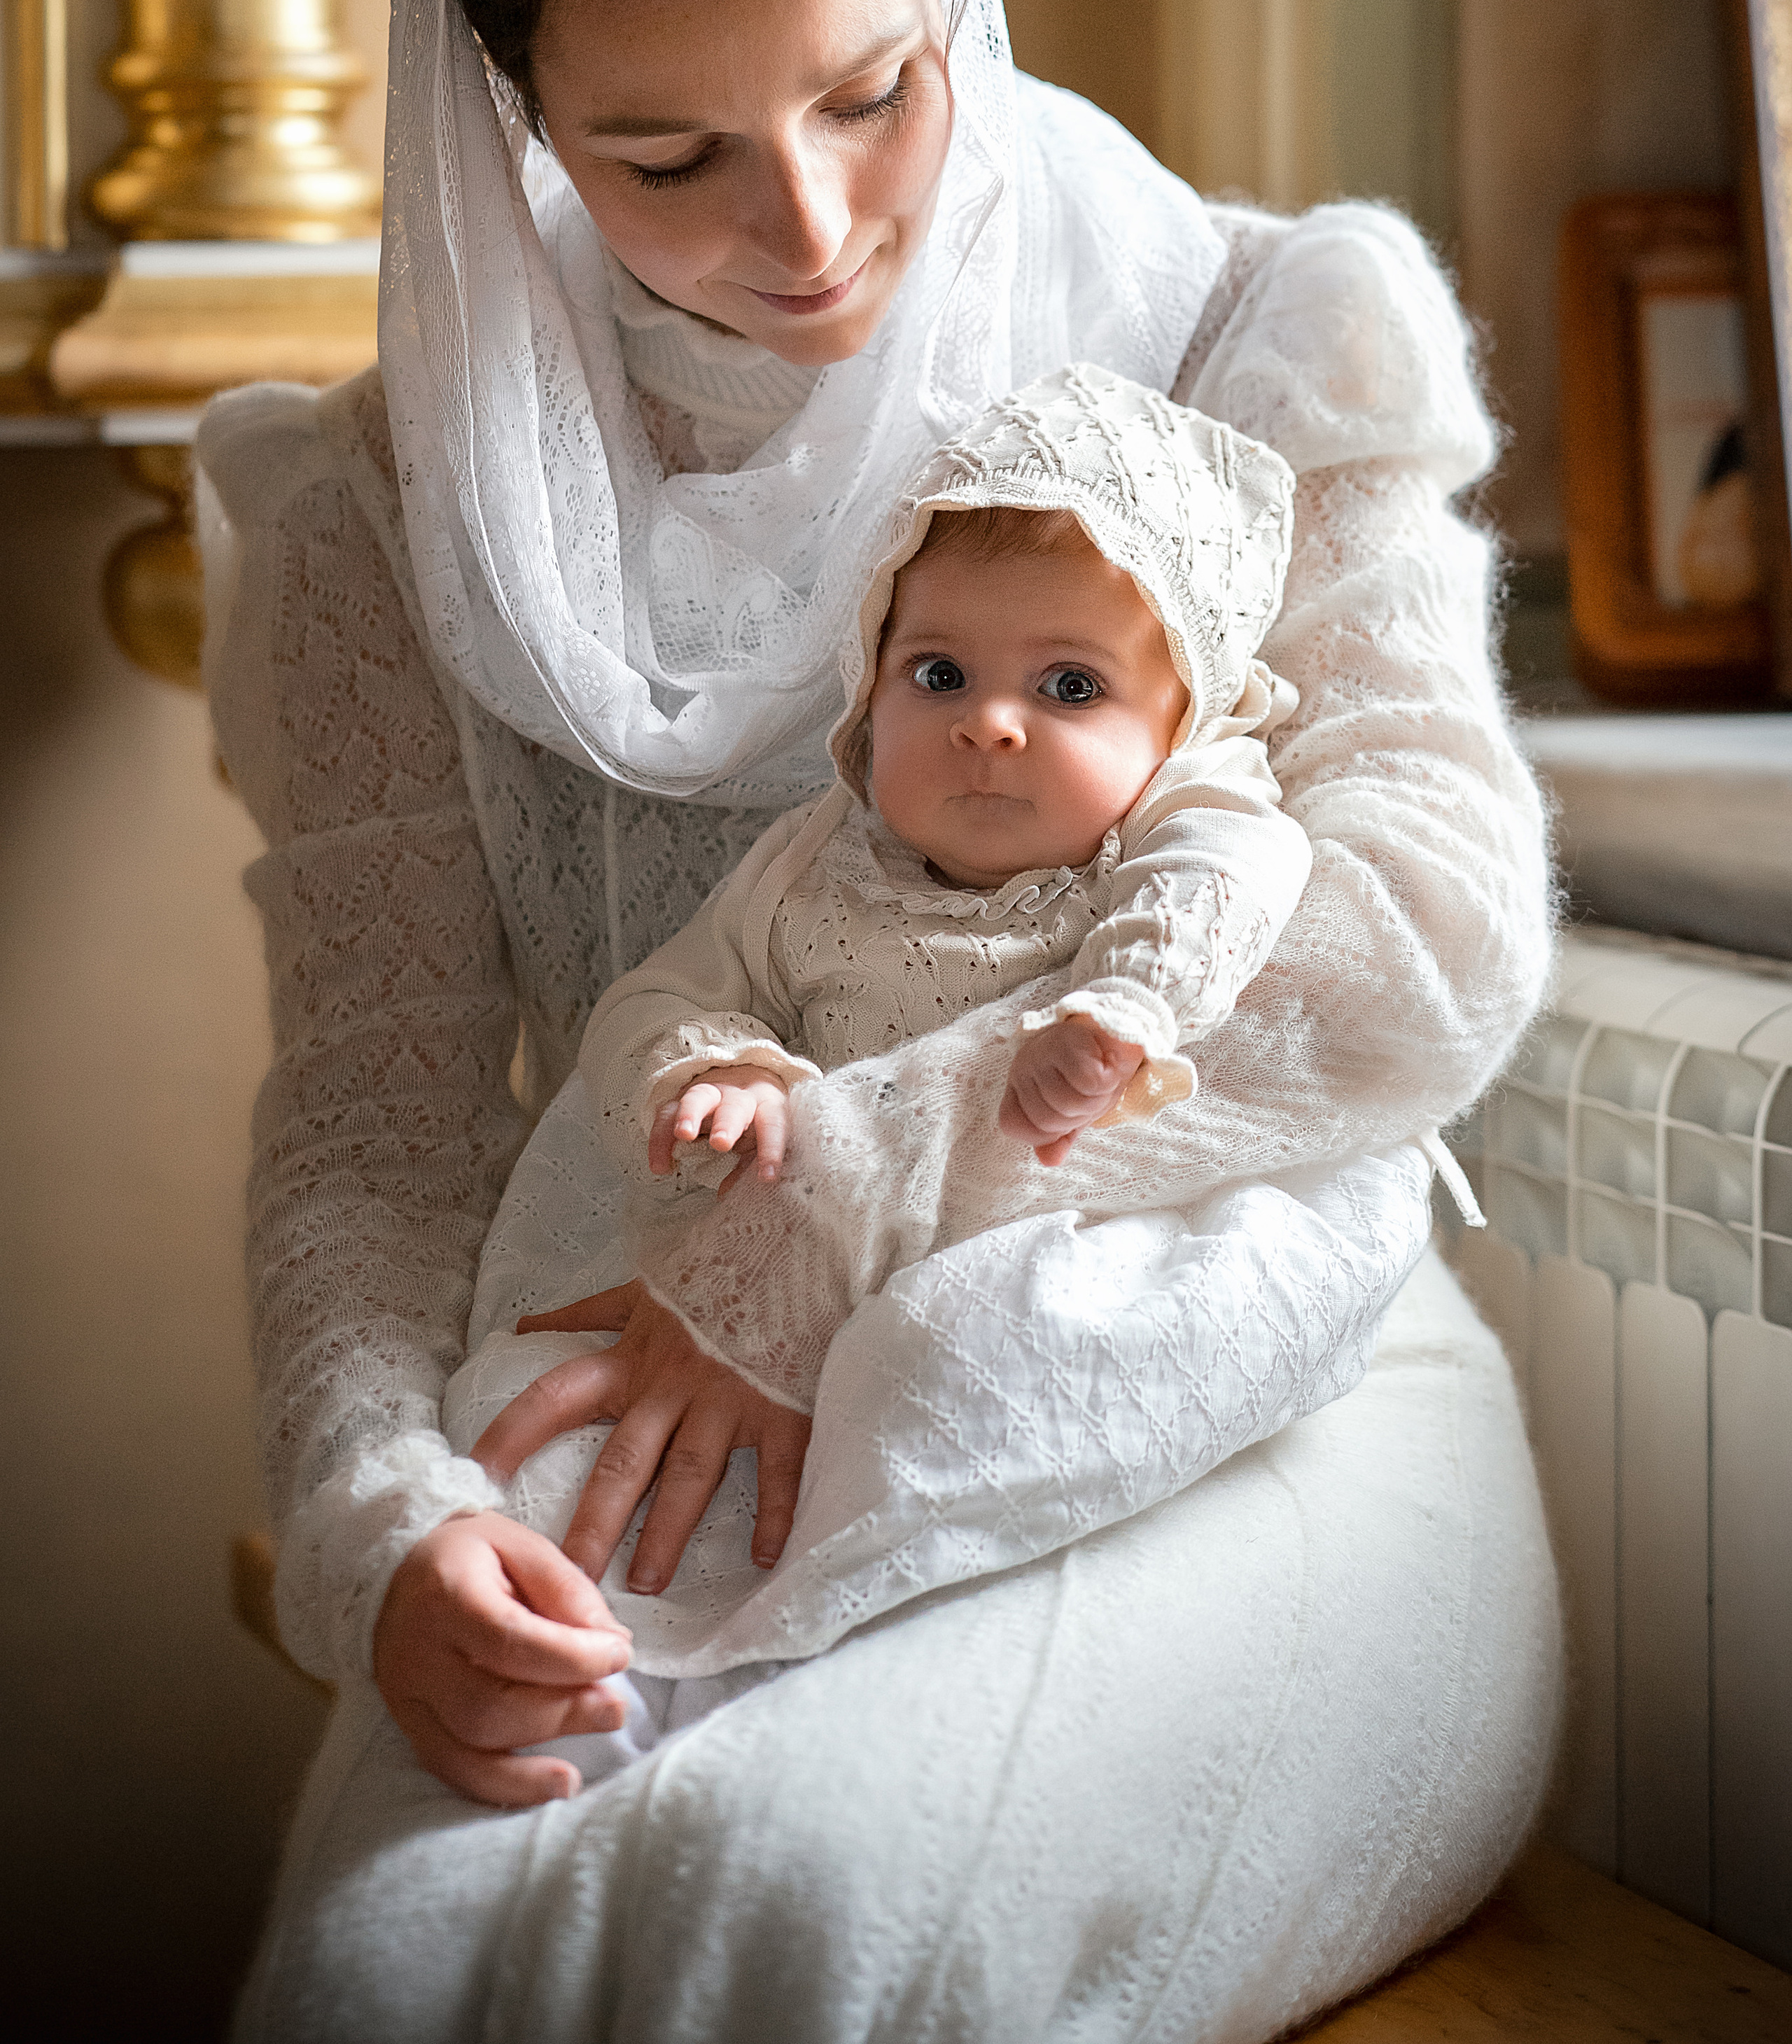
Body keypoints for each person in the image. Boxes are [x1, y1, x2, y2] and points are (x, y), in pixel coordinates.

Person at [204, 0, 1560, 2044]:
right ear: (507, 110)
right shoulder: (390, 510)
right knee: (393, 1964)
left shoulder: (1244, 329)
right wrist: (374, 1518)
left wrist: (824, 1216)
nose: (816, 227)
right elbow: (375, 1117)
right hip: (642, 1425)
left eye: (875, 90)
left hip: (1227, 1390)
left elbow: (1413, 964)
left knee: (781, 1922)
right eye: (668, 150)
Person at [447, 365, 1332, 1630]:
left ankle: (923, 1606)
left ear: (1179, 721)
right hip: (772, 1273)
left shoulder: (1156, 838)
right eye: (939, 675)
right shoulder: (814, 865)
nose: (991, 726)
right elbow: (649, 1000)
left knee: (975, 1350)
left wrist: (1121, 1011)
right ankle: (609, 1647)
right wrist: (721, 1067)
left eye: (1070, 687)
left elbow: (1235, 871)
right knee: (509, 1406)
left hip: (1024, 1256)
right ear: (871, 682)